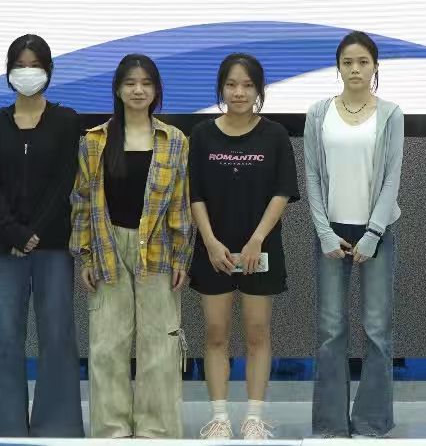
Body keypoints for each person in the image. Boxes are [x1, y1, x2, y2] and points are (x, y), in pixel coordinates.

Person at [71, 53, 192, 439]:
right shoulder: (94, 141)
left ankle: (157, 431)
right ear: (118, 89)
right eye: (130, 83)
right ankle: (111, 431)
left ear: (156, 90)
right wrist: (85, 255)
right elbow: (82, 201)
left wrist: (181, 257)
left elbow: (180, 203)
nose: (138, 90)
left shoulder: (174, 140)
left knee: (160, 343)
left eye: (146, 83)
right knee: (107, 345)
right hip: (108, 246)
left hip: (157, 249)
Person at [0, 33, 84, 438]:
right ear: (8, 72)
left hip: (53, 243)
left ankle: (57, 426)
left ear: (49, 71)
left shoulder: (66, 120)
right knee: (5, 335)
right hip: (6, 246)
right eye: (20, 65)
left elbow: (64, 182)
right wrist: (15, 232)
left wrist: (35, 232)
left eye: (35, 65)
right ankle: (3, 427)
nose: (27, 72)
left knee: (57, 334)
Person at [190, 53, 299, 441]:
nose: (239, 92)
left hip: (260, 250)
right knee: (215, 333)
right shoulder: (202, 135)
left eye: (248, 85)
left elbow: (283, 192)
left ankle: (254, 418)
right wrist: (210, 242)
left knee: (257, 333)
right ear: (221, 88)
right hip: (213, 250)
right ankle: (219, 418)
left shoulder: (274, 135)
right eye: (232, 84)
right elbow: (195, 194)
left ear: (259, 90)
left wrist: (256, 239)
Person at [304, 31, 405, 438]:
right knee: (330, 329)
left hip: (376, 231)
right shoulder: (318, 113)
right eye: (348, 62)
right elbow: (312, 176)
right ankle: (330, 423)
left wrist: (374, 232)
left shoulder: (391, 113)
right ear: (338, 67)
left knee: (377, 329)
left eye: (363, 62)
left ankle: (372, 421)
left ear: (375, 66)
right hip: (330, 232)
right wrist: (324, 232)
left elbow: (392, 178)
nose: (356, 69)